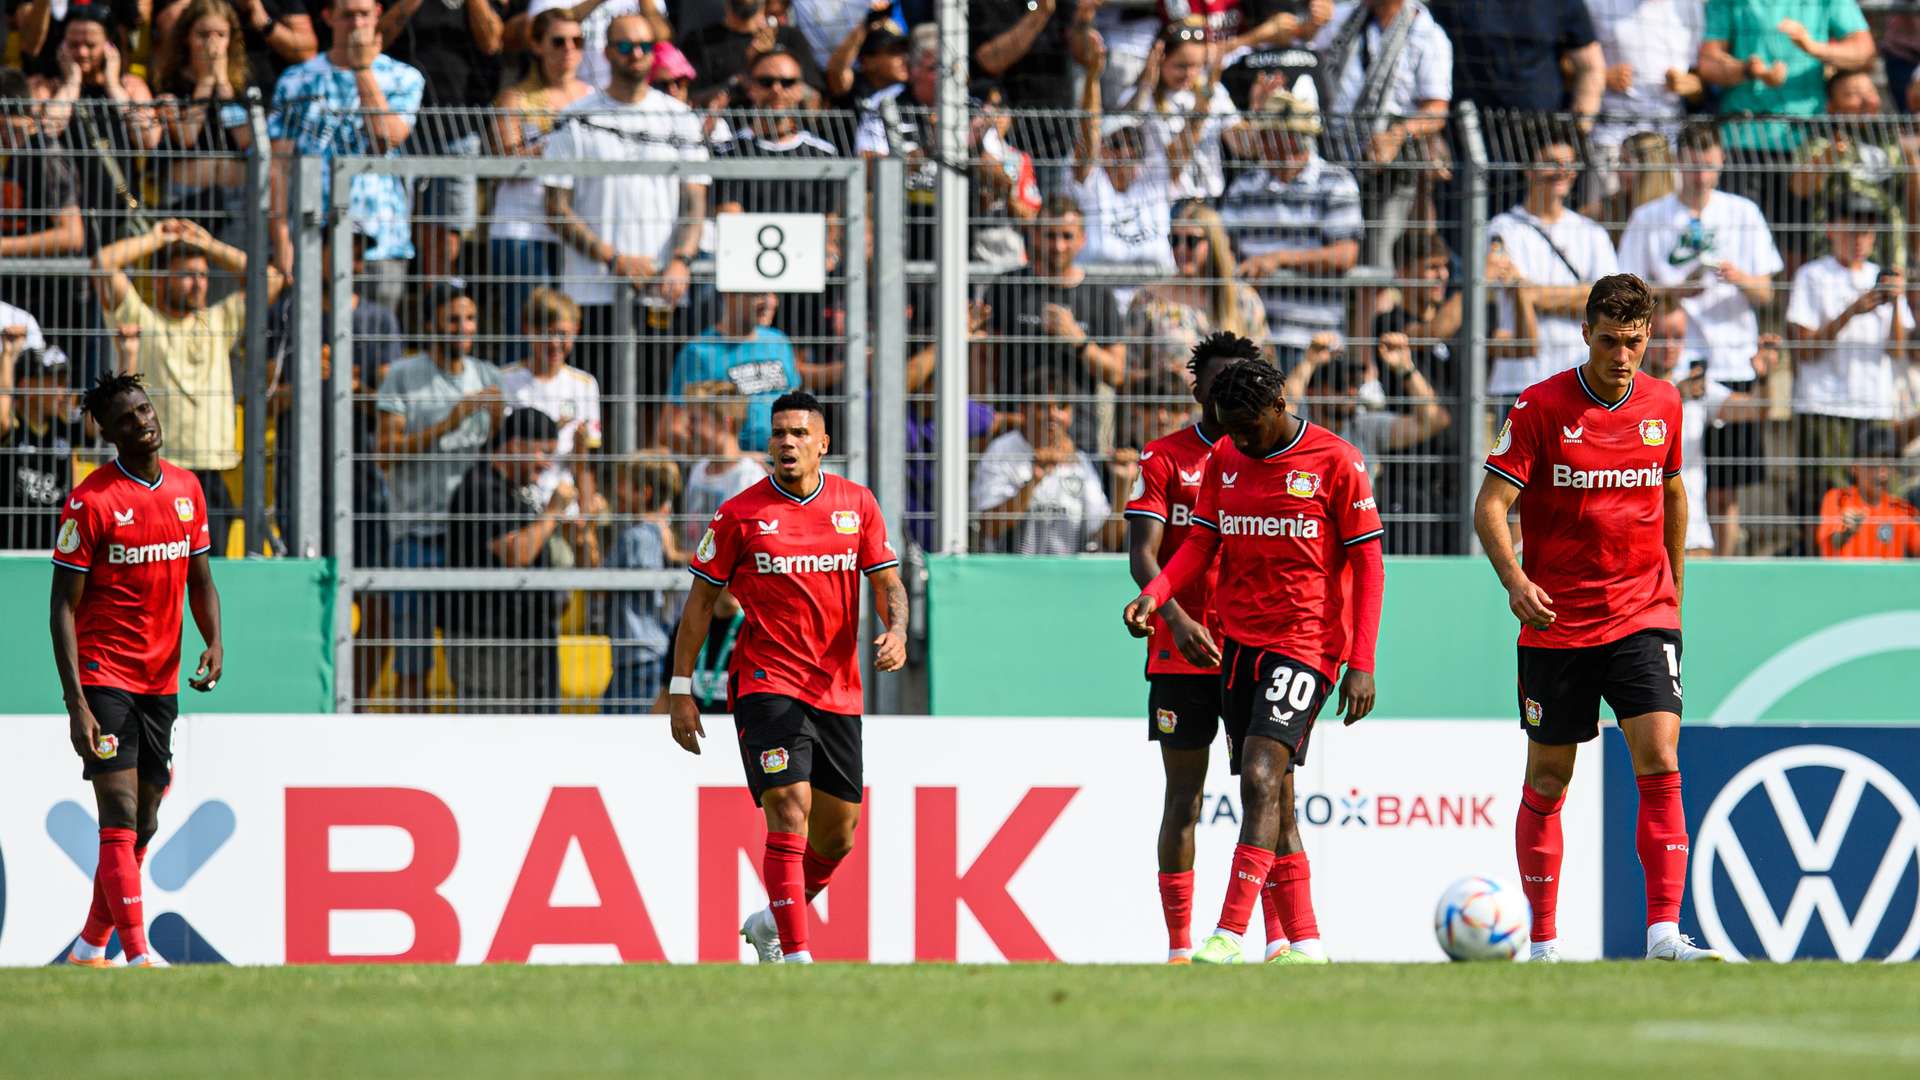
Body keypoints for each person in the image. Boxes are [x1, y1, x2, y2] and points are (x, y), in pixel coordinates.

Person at [1473, 272, 1720, 964]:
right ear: (1586, 334)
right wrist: (1515, 580)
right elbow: (1489, 506)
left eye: (1634, 343)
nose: (1622, 356)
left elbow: (1673, 495)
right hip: (1558, 623)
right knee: (1550, 778)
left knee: (1660, 754)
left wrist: (1674, 589)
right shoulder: (1538, 407)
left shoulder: (1664, 404)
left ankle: (1664, 934)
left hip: (1643, 613)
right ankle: (1545, 942)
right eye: (1610, 341)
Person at [1122, 350, 1385, 966]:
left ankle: (1229, 934)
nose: (1240, 438)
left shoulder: (1336, 460)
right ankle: (1307, 943)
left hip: (1307, 646)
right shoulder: (1226, 457)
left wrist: (1363, 660)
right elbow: (1202, 541)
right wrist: (1155, 596)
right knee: (1277, 799)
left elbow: (1370, 564)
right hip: (1240, 646)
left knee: (1263, 774)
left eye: (1249, 426)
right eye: (1229, 428)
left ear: (1280, 406)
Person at [672, 389, 906, 966]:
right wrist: (681, 690)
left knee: (838, 836)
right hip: (765, 682)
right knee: (789, 804)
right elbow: (701, 604)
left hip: (837, 689)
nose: (787, 442)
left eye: (800, 433)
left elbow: (888, 584)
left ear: (823, 444)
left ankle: (771, 919)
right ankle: (796, 957)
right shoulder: (739, 514)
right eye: (779, 433)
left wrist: (896, 629)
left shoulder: (857, 504)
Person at [1125, 332, 1313, 964]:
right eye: (1216, 379)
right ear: (1196, 386)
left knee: (1269, 787)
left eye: (1242, 377)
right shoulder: (1166, 457)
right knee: (1185, 795)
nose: (1227, 388)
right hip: (1181, 650)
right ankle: (1182, 947)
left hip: (1250, 646)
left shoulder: (1276, 456)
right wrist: (1172, 617)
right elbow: (1145, 554)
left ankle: (1281, 940)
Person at [51, 371, 222, 968]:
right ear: (107, 433)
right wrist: (77, 703)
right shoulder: (91, 501)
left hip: (161, 679)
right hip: (104, 676)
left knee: (145, 818)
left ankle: (90, 945)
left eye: (145, 410)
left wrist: (214, 641)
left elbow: (200, 577)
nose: (143, 422)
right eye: (126, 419)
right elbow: (62, 607)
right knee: (119, 811)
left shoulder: (187, 489)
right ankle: (139, 956)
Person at [1617, 122, 1781, 558]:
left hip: (1732, 360)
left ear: (1721, 161)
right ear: (1678, 164)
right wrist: (1674, 290)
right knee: (1669, 471)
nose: (1700, 176)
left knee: (1726, 488)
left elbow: (1767, 293)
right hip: (1671, 362)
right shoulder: (1651, 216)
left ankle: (1722, 563)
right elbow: (1626, 289)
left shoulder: (1742, 212)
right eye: (1692, 167)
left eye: (1708, 167)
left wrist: (1738, 276)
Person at [542, 14, 709, 428]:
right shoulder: (577, 116)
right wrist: (613, 258)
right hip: (592, 291)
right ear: (606, 52)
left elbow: (695, 201)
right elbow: (556, 207)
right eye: (625, 46)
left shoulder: (678, 117)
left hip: (662, 291)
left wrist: (680, 263)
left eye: (645, 46)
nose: (636, 54)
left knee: (659, 414)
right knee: (597, 415)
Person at [93, 218, 289, 553]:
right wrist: (157, 238)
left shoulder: (218, 321)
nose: (198, 284)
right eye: (186, 275)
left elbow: (271, 279)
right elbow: (102, 264)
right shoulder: (142, 319)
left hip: (210, 477)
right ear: (159, 281)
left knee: (209, 580)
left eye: (202, 275)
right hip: (156, 472)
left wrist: (208, 244)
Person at [374, 282, 505, 708]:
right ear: (431, 324)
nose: (463, 327)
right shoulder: (403, 375)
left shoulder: (488, 375)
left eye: (469, 318)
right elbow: (384, 455)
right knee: (413, 661)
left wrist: (500, 416)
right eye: (453, 319)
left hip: (469, 539)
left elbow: (502, 455)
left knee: (468, 658)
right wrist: (450, 421)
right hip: (417, 534)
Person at [267, 0, 426, 305]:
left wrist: (362, 68)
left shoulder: (404, 77)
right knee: (312, 346)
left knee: (375, 346)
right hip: (313, 239)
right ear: (327, 16)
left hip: (380, 241)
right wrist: (282, 240)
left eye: (364, 14)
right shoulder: (296, 79)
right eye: (347, 15)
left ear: (378, 14)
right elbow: (279, 168)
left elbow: (385, 139)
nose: (356, 24)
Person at [1785, 195, 1912, 545]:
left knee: (1879, 500)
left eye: (1867, 232)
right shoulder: (1812, 275)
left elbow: (1899, 349)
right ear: (1831, 229)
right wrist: (1851, 312)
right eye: (1851, 229)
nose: (1859, 239)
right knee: (1826, 501)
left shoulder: (1879, 276)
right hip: (1824, 405)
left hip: (1873, 405)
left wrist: (1897, 301)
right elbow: (1805, 351)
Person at [444, 406, 586, 712]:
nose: (548, 465)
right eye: (543, 453)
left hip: (526, 640)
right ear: (516, 445)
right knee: (492, 739)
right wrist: (552, 512)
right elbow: (516, 553)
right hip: (488, 644)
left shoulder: (517, 492)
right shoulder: (479, 489)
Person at [1217, 84, 1361, 368]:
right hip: (1252, 333)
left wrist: (1279, 259)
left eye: (1274, 136)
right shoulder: (1245, 185)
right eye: (1266, 135)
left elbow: (1345, 254)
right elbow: (1223, 246)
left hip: (1313, 336)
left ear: (1297, 139)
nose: (1266, 143)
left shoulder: (1335, 182)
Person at [1308, 0, 1453, 266]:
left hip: (1386, 171)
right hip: (1332, 160)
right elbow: (1306, 45)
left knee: (1376, 259)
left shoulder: (1428, 35)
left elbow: (1436, 109)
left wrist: (1397, 134)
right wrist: (1312, 20)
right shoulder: (1345, 17)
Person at [980, 196, 1128, 451]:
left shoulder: (1099, 295)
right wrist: (987, 416)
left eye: (1067, 236)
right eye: (1050, 236)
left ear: (1082, 240)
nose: (1058, 246)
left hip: (1078, 437)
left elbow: (1116, 374)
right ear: (1035, 236)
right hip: (1015, 432)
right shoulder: (1007, 286)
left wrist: (1079, 340)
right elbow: (984, 359)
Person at [487, 7, 595, 347]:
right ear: (537, 46)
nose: (569, 50)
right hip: (523, 225)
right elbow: (505, 158)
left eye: (577, 41)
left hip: (575, 227)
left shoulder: (594, 98)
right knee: (525, 327)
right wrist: (555, 146)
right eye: (558, 41)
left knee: (569, 327)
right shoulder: (515, 97)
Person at [1486, 127, 1618, 399]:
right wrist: (1580, 293)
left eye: (1568, 164)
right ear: (1529, 169)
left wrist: (1535, 295)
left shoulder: (1591, 232)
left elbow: (1609, 302)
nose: (1561, 171)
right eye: (1551, 163)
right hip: (1519, 378)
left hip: (1578, 376)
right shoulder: (1502, 228)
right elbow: (1499, 285)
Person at [971, 365, 1124, 555]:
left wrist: (1122, 485)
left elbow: (1105, 538)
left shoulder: (1081, 461)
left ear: (1071, 414)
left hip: (1068, 577)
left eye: (1061, 406)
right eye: (1043, 406)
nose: (1053, 414)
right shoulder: (1002, 451)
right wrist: (1035, 479)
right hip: (1012, 574)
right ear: (1023, 410)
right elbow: (988, 528)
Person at [1071, 40, 1175, 308]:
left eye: (1134, 145)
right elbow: (1090, 131)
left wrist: (1147, 86)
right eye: (1116, 144)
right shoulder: (1092, 186)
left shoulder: (1153, 185)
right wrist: (1093, 78)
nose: (1126, 152)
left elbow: (1146, 122)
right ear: (1102, 150)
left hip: (1154, 314)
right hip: (1098, 311)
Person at [1125, 202, 1270, 393]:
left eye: (1191, 241)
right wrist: (1163, 377)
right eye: (1174, 240)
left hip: (1229, 414)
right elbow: (1127, 373)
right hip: (1170, 413)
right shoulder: (1148, 300)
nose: (1181, 249)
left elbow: (1265, 367)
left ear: (1213, 243)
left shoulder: (1242, 300)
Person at [149, 0, 257, 255]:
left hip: (237, 196)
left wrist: (223, 85)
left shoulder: (242, 86)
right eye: (203, 35)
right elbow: (186, 136)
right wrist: (206, 80)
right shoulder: (171, 83)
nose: (212, 43)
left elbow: (245, 139)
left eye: (220, 35)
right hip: (188, 196)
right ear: (187, 37)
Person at [500, 288, 603, 533]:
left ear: (576, 331)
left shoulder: (585, 385)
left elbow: (584, 463)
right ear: (527, 330)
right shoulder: (505, 381)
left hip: (565, 511)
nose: (555, 343)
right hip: (516, 507)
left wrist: (586, 514)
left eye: (562, 334)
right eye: (547, 333)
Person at [1120, 20, 1240, 202]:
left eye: (1197, 66)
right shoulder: (1143, 97)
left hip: (1209, 200)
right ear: (1159, 58)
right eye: (1181, 66)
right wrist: (1198, 117)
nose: (1189, 73)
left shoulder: (1213, 91)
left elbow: (1243, 146)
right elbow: (1173, 163)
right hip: (1162, 202)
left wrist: (1260, 110)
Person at [666, 291, 798, 455]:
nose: (771, 302)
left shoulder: (779, 341)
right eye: (759, 294)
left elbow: (796, 405)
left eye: (773, 294)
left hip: (785, 463)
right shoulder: (700, 351)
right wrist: (735, 458)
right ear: (729, 294)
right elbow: (672, 431)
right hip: (733, 474)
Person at [601, 453, 681, 711]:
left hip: (640, 653)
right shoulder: (659, 532)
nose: (617, 490)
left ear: (644, 492)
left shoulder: (639, 537)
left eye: (623, 483)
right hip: (638, 654)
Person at [1, 337, 81, 551]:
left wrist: (127, 353)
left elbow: (112, 421)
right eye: (54, 382)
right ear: (26, 385)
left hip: (56, 551)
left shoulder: (66, 427)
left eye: (64, 382)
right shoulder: (11, 426)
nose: (62, 391)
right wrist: (8, 355)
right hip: (9, 550)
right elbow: (2, 416)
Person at [673, 381, 768, 550]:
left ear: (726, 422)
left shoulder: (749, 477)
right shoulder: (699, 469)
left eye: (695, 420)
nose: (687, 428)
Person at [679, 0, 826, 100]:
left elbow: (815, 98)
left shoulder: (789, 37)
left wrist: (780, 79)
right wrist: (748, 68)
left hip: (787, 137)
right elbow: (690, 100)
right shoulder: (698, 41)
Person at [154, 0, 319, 88]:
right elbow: (168, 27)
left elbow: (307, 51)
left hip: (265, 90)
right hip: (197, 86)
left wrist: (264, 22)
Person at [1818, 424, 1920, 559]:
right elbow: (1827, 547)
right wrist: (1845, 533)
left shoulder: (1901, 509)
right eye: (1873, 465)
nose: (1882, 474)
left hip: (1889, 579)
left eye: (1889, 465)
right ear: (1855, 468)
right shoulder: (1837, 498)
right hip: (1848, 579)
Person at [653, 587, 744, 714]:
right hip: (697, 727)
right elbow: (667, 692)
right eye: (729, 578)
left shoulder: (753, 627)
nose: (735, 586)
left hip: (740, 726)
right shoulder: (689, 625)